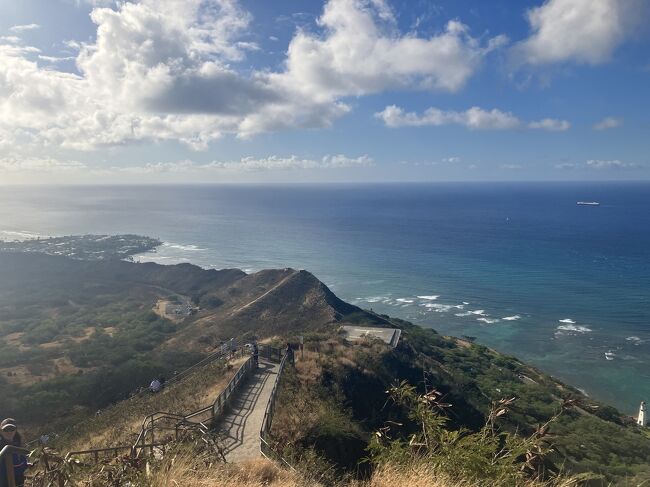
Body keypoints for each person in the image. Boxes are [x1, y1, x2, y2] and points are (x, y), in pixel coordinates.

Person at [0, 418, 28, 487]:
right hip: (4, 482)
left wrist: (26, 464)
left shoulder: (17, 444)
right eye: (6, 429)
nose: (9, 432)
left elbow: (21, 460)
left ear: (15, 430)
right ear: (1, 431)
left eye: (12, 429)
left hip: (19, 479)